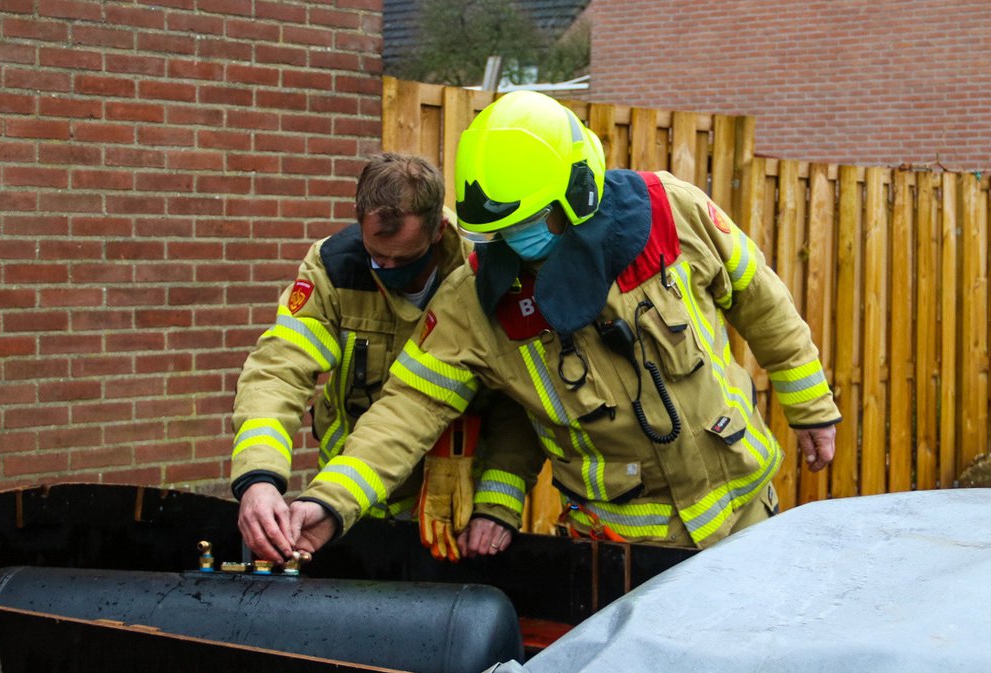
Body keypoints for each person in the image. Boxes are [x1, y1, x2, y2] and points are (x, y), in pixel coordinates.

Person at [253, 91, 839, 564]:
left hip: (747, 518)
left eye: (530, 222)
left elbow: (763, 304)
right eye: (502, 231)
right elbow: (405, 410)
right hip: (622, 551)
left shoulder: (670, 213)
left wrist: (811, 407)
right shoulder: (475, 302)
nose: (517, 242)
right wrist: (331, 503)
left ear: (579, 186)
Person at [230, 152, 540, 561]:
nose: (389, 269)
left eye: (405, 259)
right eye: (377, 256)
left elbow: (521, 400)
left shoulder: (484, 276)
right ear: (360, 222)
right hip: (349, 496)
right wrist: (259, 478)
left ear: (437, 229)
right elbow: (278, 371)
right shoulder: (333, 269)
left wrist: (498, 505)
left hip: (457, 509)